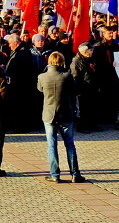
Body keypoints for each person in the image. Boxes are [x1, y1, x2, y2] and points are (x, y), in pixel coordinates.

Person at [36, 51, 84, 183]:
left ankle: (55, 174)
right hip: (65, 114)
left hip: (49, 114)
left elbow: (40, 89)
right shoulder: (66, 76)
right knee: (69, 145)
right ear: (62, 62)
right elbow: (74, 91)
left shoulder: (42, 77)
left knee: (52, 146)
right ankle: (75, 174)